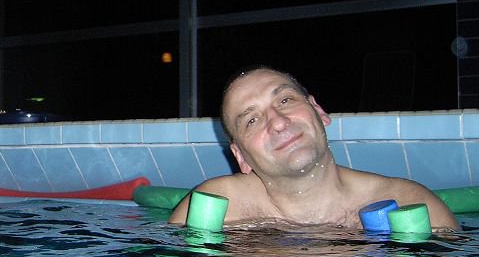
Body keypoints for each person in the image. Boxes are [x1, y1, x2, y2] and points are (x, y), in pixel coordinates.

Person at [169, 66, 459, 230]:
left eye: (285, 101)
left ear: (318, 111)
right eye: (252, 120)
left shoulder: (410, 205)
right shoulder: (215, 209)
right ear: (241, 157)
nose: (278, 122)